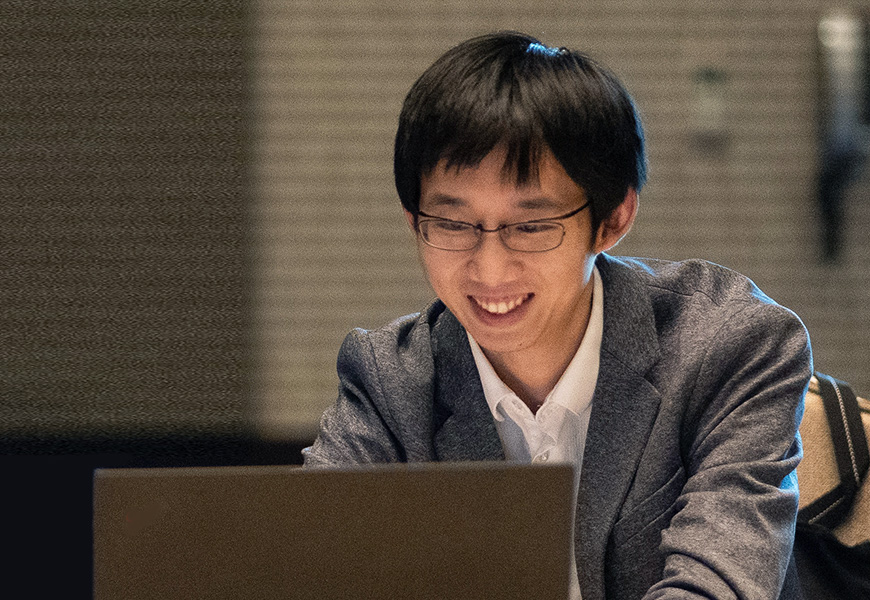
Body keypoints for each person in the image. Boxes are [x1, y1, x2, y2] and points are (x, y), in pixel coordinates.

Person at [303, 31, 811, 600]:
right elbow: (315, 568)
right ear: (412, 219)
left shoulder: (731, 346)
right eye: (452, 224)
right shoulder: (389, 380)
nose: (489, 269)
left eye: (532, 226)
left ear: (613, 220)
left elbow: (717, 586)